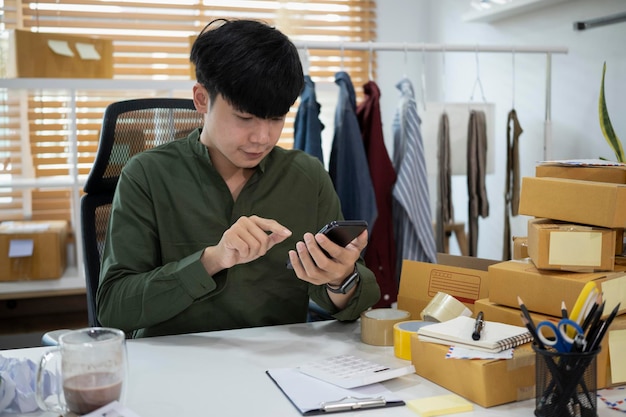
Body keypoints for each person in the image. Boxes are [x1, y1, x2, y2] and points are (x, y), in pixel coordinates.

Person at [96, 18, 381, 338]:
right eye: (245, 118)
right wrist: (213, 259)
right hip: (172, 367)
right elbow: (114, 308)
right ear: (202, 100)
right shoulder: (147, 175)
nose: (262, 137)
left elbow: (348, 301)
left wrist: (338, 278)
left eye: (276, 118)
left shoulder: (307, 177)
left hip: (277, 367)